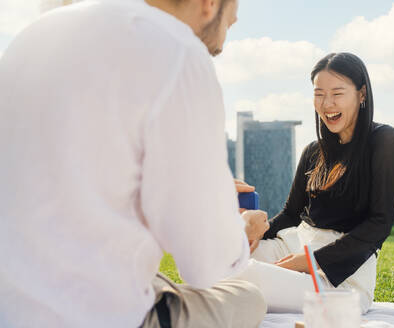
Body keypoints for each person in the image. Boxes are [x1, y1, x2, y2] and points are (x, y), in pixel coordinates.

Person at [0, 0, 269, 327]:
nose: (232, 27)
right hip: (95, 318)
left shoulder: (33, 36)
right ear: (210, 4)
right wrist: (243, 225)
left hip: (11, 308)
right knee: (249, 300)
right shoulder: (177, 50)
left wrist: (199, 188)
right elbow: (207, 264)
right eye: (233, 16)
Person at [236, 52, 394, 314]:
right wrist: (256, 232)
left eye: (337, 93)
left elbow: (379, 225)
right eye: (319, 94)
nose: (327, 104)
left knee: (248, 277)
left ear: (361, 94)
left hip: (343, 274)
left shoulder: (383, 140)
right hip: (294, 243)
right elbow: (292, 214)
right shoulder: (313, 151)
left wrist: (311, 261)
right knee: (222, 258)